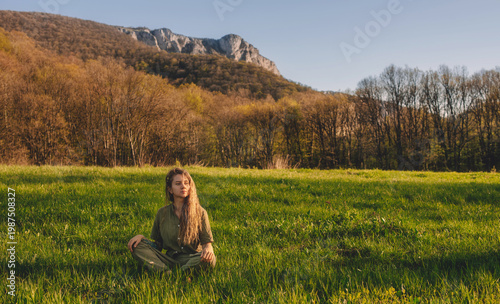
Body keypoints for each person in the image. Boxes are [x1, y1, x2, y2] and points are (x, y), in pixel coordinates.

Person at [127, 168, 216, 273]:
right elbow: (158, 246)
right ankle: (170, 273)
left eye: (186, 183)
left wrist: (208, 249)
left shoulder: (200, 212)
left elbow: (207, 243)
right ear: (170, 189)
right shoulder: (162, 213)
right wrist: (142, 239)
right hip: (168, 259)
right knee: (137, 246)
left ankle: (167, 272)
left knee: (211, 260)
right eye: (178, 184)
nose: (183, 186)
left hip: (192, 259)